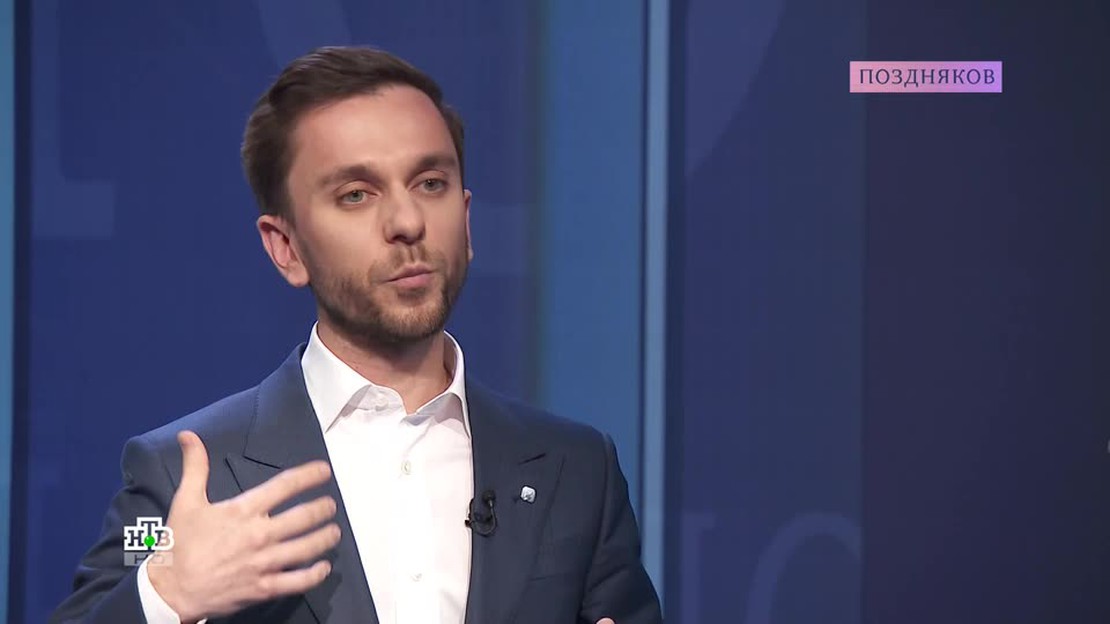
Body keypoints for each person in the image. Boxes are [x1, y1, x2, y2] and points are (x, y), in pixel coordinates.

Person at [49, 46, 662, 624]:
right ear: (286, 247)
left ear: (467, 217)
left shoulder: (578, 469)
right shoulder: (189, 479)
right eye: (356, 195)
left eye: (430, 183)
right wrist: (169, 593)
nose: (408, 221)